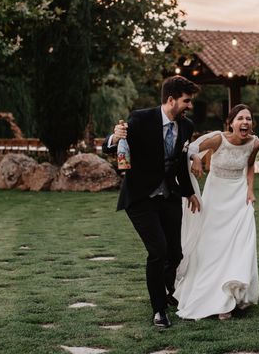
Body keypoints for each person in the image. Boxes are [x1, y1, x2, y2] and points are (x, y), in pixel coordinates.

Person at [103, 75, 202, 329]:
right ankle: (158, 310)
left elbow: (180, 164)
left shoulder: (187, 126)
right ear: (171, 100)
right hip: (140, 197)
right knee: (157, 250)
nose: (189, 105)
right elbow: (112, 147)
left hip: (169, 195)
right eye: (186, 101)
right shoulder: (141, 118)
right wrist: (114, 137)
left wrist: (189, 192)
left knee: (175, 252)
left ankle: (168, 291)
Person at [173, 104, 259, 320]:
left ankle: (232, 294)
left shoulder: (255, 142)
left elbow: (249, 165)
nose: (245, 122)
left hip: (239, 197)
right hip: (216, 199)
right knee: (213, 245)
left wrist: (250, 190)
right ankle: (212, 294)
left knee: (241, 243)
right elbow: (190, 149)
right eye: (240, 118)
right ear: (230, 122)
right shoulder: (217, 139)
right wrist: (196, 160)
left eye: (248, 119)